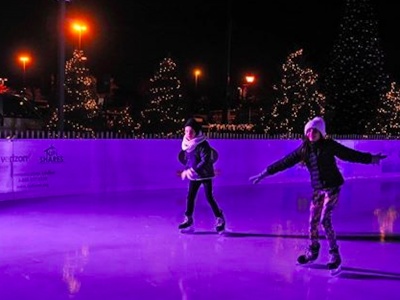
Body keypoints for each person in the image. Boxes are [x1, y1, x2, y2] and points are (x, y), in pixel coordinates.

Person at [249, 116, 387, 271]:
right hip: (317, 189)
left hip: (332, 187)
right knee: (312, 222)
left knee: (324, 220)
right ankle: (312, 251)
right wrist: (265, 172)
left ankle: (334, 254)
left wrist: (371, 159)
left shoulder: (329, 145)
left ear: (321, 132)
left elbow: (349, 154)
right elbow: (285, 162)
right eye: (309, 130)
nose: (311, 133)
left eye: (315, 130)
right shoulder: (304, 149)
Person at [178, 118, 226, 233]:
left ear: (196, 132)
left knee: (209, 197)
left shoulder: (203, 144)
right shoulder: (186, 144)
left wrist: (192, 170)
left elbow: (205, 161)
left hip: (205, 174)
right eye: (186, 131)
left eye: (191, 131)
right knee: (190, 197)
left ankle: (220, 218)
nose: (188, 134)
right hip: (194, 175)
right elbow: (189, 160)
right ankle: (188, 218)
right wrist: (187, 169)